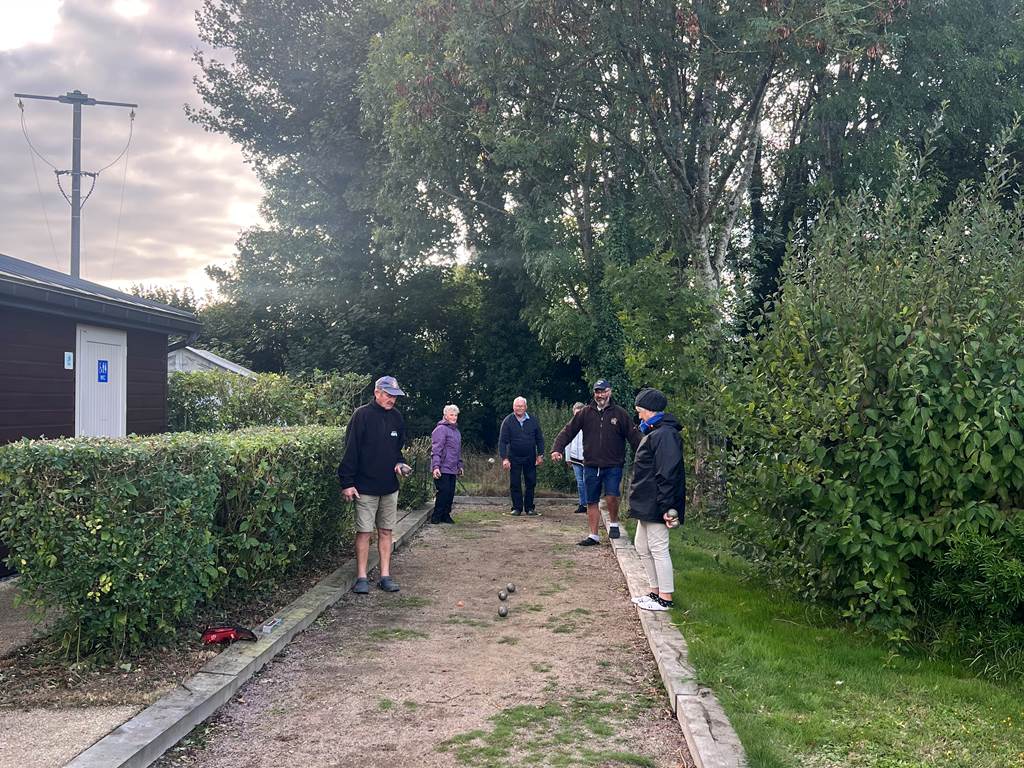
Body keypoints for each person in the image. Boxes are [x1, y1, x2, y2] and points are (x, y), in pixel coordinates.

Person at [337, 375, 410, 594]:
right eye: (388, 395)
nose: (392, 400)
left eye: (395, 396)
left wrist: (401, 463)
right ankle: (361, 577)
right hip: (364, 488)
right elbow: (351, 450)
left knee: (386, 531)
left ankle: (385, 575)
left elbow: (397, 450)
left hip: (389, 487)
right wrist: (347, 482)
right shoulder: (362, 415)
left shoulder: (397, 417)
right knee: (364, 532)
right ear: (377, 392)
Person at [551, 379, 640, 546]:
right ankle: (593, 536)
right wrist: (557, 448)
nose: (601, 395)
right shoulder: (585, 413)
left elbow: (634, 436)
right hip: (591, 464)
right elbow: (568, 430)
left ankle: (613, 523)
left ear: (610, 392)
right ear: (594, 394)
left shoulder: (619, 413)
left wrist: (644, 455)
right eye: (598, 392)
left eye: (603, 391)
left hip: (613, 464)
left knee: (611, 495)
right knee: (591, 500)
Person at [627, 387, 685, 611]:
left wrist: (667, 507)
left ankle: (665, 598)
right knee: (641, 545)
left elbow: (667, 473)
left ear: (650, 411)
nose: (639, 415)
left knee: (658, 548)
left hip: (657, 502)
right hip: (646, 501)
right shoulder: (654, 433)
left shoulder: (665, 435)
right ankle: (654, 592)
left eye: (640, 410)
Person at [498, 396, 545, 516]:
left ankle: (529, 508)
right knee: (515, 483)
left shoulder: (533, 421)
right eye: (517, 406)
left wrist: (540, 455)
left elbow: (539, 439)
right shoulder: (508, 421)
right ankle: (517, 508)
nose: (519, 408)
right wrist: (504, 458)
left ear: (526, 407)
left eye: (521, 406)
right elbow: (502, 441)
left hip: (530, 457)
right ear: (513, 407)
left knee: (531, 482)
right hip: (514, 457)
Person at [430, 404, 464, 524]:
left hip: (452, 468)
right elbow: (436, 449)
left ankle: (446, 515)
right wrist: (436, 467)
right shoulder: (440, 430)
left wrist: (460, 466)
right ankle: (436, 516)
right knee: (443, 492)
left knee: (450, 493)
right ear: (445, 416)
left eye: (455, 415)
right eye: (451, 415)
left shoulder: (457, 432)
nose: (454, 417)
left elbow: (458, 451)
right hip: (442, 467)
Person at [565, 402, 587, 515]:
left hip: (586, 458)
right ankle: (582, 504)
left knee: (586, 481)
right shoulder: (571, 425)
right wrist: (567, 457)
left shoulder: (589, 425)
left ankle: (590, 503)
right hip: (574, 457)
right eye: (576, 413)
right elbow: (567, 441)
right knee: (579, 482)